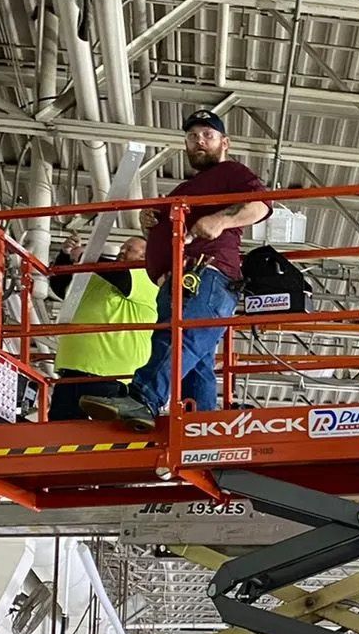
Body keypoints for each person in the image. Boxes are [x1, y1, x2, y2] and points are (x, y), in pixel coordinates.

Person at [82, 109, 271, 429]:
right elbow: (166, 234)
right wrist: (150, 224)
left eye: (207, 136)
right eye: (192, 136)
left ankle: (143, 398)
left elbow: (261, 204)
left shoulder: (232, 172)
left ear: (225, 142)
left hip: (206, 275)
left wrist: (221, 220)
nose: (199, 141)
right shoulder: (186, 189)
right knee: (197, 359)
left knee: (179, 338)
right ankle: (202, 426)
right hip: (177, 282)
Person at [45, 233, 159, 421]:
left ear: (146, 257)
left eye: (130, 249)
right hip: (71, 374)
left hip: (110, 377)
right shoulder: (100, 279)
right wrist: (65, 256)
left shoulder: (147, 278)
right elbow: (61, 288)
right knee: (60, 438)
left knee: (104, 439)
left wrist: (85, 257)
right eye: (122, 247)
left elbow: (120, 275)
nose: (122, 251)